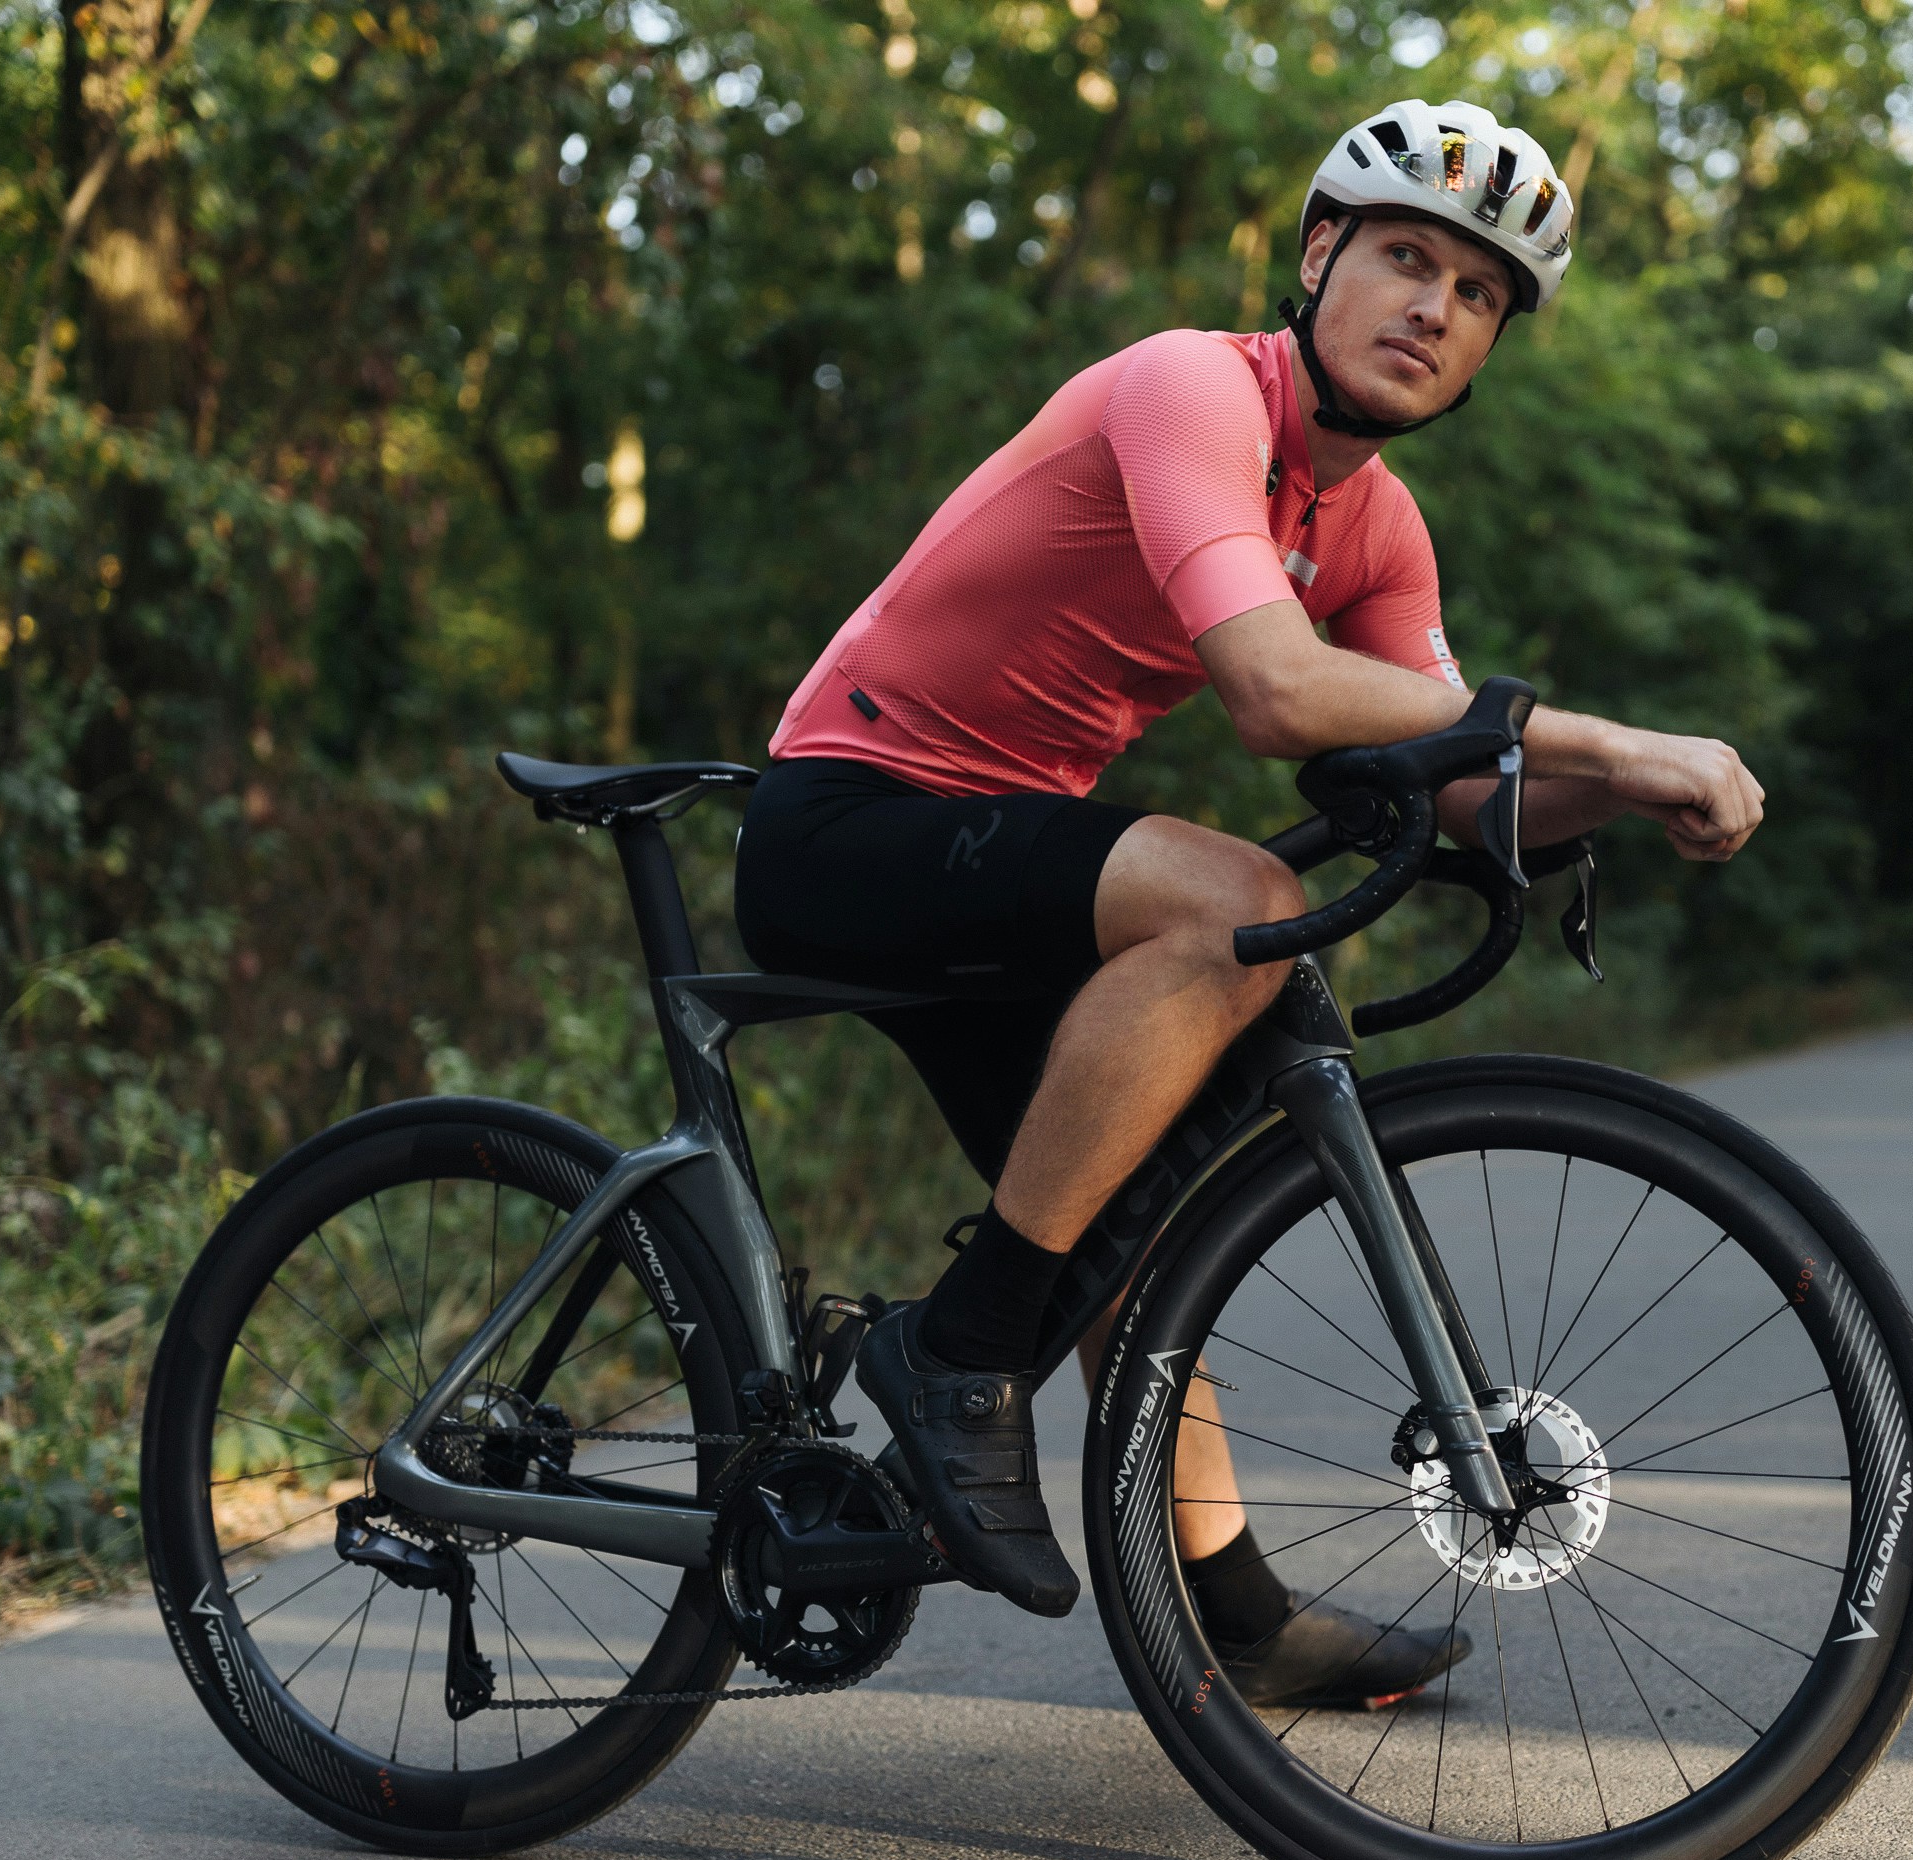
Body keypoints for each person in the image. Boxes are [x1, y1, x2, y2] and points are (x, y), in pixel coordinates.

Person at [736, 98, 1765, 1707]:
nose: (1434, 307)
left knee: (1134, 1209)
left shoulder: (1376, 525)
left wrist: (1627, 793)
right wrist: (1616, 737)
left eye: (1478, 294)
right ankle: (954, 1357)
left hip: (1009, 851)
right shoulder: (1190, 388)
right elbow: (1278, 691)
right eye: (1405, 258)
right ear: (1319, 255)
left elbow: (1461, 785)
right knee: (1236, 899)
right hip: (847, 818)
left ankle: (1238, 1618)